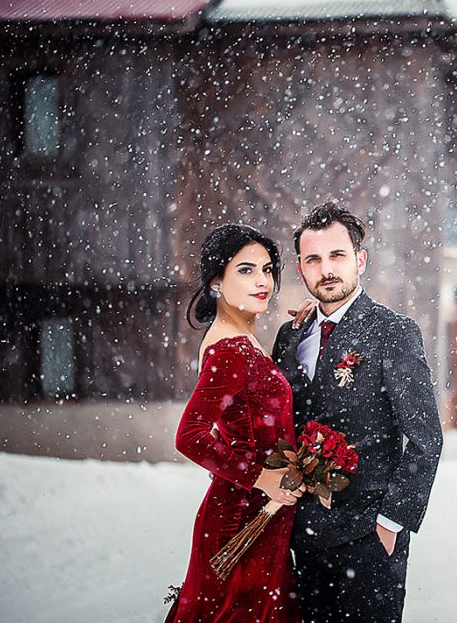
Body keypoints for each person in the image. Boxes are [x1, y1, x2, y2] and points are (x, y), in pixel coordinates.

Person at [272, 202, 443, 623]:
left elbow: (426, 438)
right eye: (314, 259)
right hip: (302, 537)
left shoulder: (393, 332)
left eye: (337, 255)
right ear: (301, 269)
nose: (327, 269)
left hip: (368, 538)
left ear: (360, 260)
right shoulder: (290, 336)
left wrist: (390, 522)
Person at [167, 224, 303, 623]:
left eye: (267, 270)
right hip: (240, 518)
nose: (262, 281)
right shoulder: (230, 349)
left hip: (261, 513)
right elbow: (190, 437)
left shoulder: (245, 340)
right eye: (246, 270)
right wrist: (262, 478)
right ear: (216, 282)